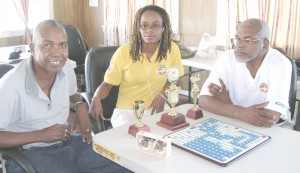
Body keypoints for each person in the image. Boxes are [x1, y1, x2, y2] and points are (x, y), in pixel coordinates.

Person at [0, 19, 131, 173]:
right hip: (30, 152)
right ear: (33, 48)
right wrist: (40, 135)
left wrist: (79, 105)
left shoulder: (66, 66)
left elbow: (72, 94)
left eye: (62, 45)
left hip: (68, 142)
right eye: (48, 45)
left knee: (124, 163)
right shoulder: (10, 87)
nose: (57, 53)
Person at [91, 5, 184, 128]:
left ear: (163, 28)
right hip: (127, 112)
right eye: (144, 25)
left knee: (170, 138)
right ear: (138, 28)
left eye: (155, 25)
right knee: (132, 142)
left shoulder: (172, 49)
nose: (149, 30)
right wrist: (96, 97)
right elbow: (108, 84)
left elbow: (176, 79)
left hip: (157, 108)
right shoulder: (124, 52)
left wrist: (162, 94)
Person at [198, 18, 292, 127]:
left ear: (265, 44)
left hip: (275, 128)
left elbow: (271, 117)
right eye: (237, 39)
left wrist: (228, 105)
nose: (239, 45)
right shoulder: (227, 57)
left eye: (247, 40)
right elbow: (204, 100)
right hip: (235, 120)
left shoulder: (280, 63)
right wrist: (241, 113)